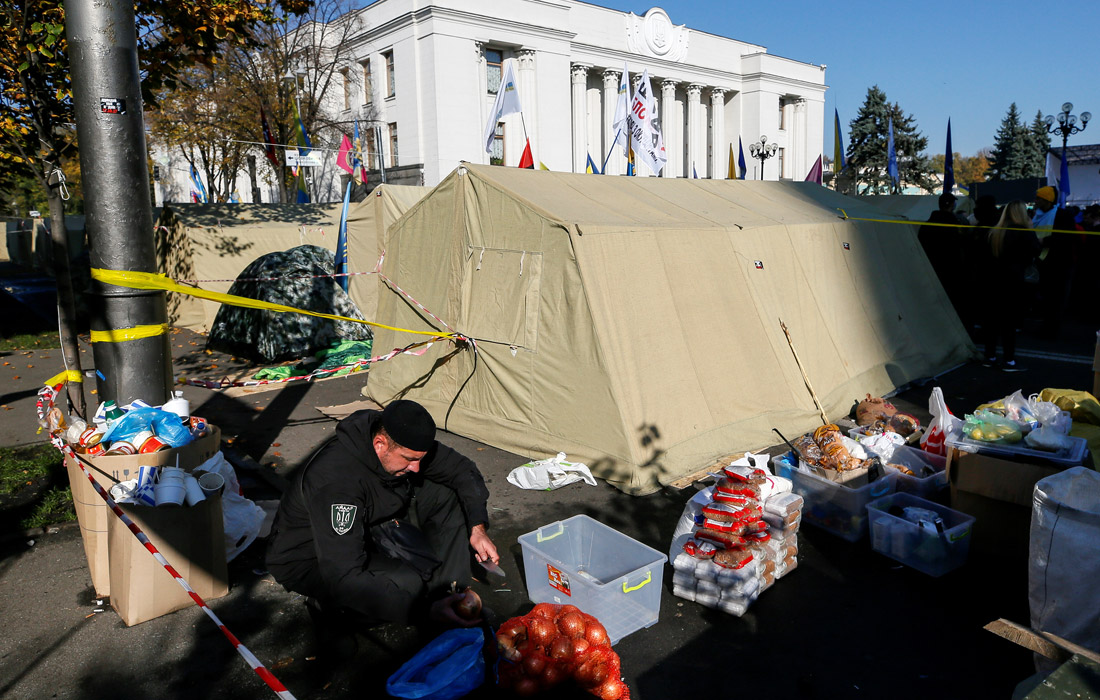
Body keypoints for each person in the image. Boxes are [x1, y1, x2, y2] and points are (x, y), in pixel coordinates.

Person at [266, 399, 500, 653]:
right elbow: (343, 574)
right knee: (407, 587)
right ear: (380, 445)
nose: (417, 467)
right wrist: (424, 612)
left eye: (419, 459)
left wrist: (478, 529)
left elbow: (463, 470)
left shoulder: (403, 441)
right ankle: (333, 609)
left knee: (447, 493)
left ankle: (451, 596)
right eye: (409, 459)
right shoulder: (336, 482)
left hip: (369, 522)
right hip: (311, 557)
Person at [981, 201, 1039, 372]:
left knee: (991, 322)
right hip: (1013, 284)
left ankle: (990, 356)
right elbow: (1034, 253)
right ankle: (1008, 360)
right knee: (1009, 324)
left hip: (992, 283)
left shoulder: (994, 232)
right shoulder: (1023, 233)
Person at [918, 192, 967, 325]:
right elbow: (961, 245)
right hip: (952, 269)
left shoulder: (928, 224)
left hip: (933, 267)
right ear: (952, 205)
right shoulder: (955, 224)